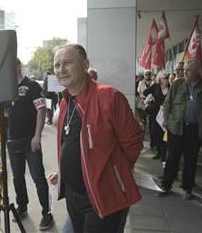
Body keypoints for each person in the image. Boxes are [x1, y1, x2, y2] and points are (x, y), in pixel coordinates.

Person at [48, 44, 143, 233]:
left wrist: (112, 177)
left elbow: (133, 142)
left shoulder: (109, 96)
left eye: (67, 63)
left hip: (103, 198)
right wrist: (66, 172)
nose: (61, 69)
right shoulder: (67, 101)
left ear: (85, 65)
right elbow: (75, 144)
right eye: (57, 65)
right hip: (73, 195)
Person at [7, 58, 54, 231]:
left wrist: (37, 136)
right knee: (17, 178)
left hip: (30, 140)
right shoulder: (6, 88)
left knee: (38, 178)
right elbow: (6, 112)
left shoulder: (32, 85)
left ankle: (47, 213)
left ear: (18, 65)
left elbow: (41, 110)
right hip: (13, 141)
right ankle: (22, 207)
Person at [158, 59, 202, 200]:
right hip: (176, 128)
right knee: (172, 157)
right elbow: (167, 104)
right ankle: (166, 185)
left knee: (190, 160)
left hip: (194, 129)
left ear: (197, 71)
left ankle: (187, 188)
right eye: (184, 69)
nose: (184, 72)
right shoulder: (178, 84)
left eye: (188, 70)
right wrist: (167, 121)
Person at [143, 71, 170, 161]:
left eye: (167, 78)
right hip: (155, 114)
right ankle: (158, 152)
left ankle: (164, 155)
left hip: (166, 115)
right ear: (160, 79)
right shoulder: (156, 86)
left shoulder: (171, 88)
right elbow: (145, 92)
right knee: (156, 134)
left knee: (165, 135)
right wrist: (152, 96)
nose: (166, 80)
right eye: (164, 78)